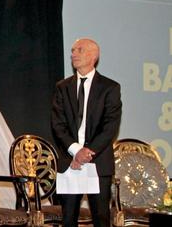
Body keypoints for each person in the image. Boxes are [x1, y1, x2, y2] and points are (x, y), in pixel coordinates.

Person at [51, 38, 122, 227]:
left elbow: (110, 127)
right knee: (68, 220)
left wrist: (87, 152)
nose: (73, 53)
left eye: (79, 50)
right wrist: (76, 151)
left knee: (101, 219)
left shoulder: (110, 88)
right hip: (70, 161)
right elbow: (58, 124)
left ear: (93, 56)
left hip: (97, 162)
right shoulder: (62, 87)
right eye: (73, 50)